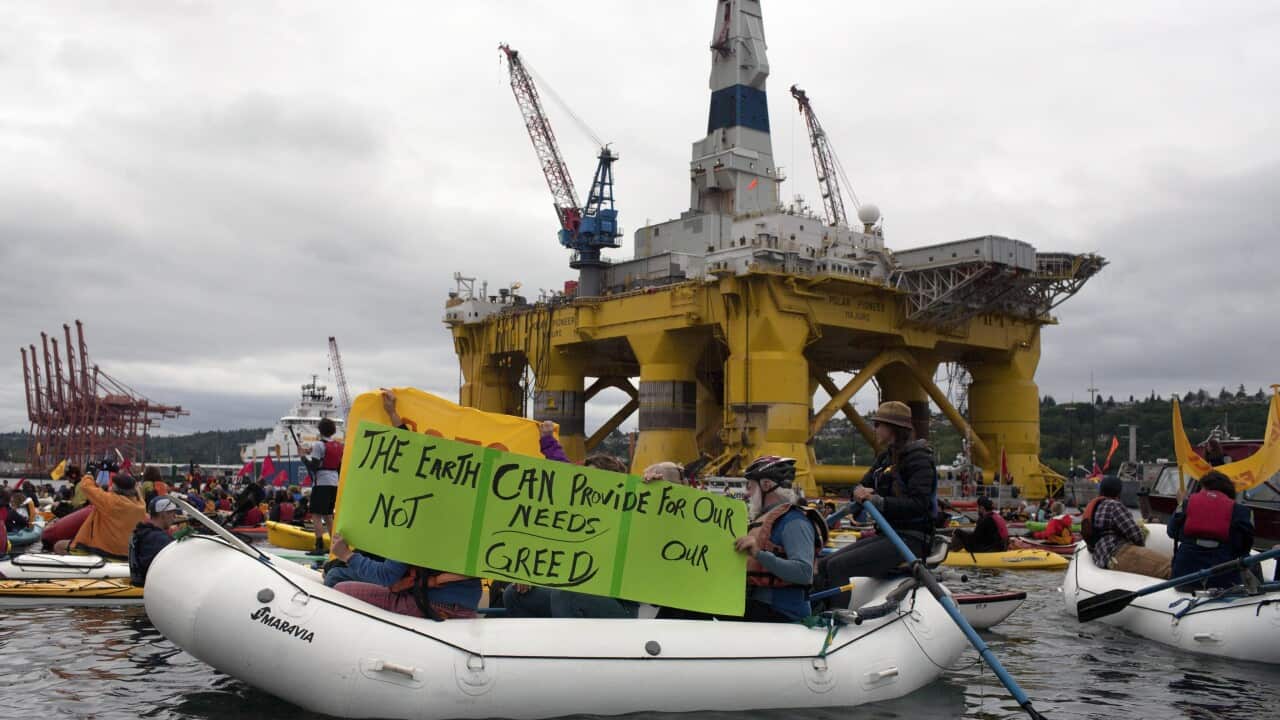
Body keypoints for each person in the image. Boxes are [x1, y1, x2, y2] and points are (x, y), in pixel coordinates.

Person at [816, 402, 937, 606]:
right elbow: (862, 484)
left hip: (911, 539)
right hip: (888, 535)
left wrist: (877, 500)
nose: (875, 429)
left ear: (893, 429)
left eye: (878, 424)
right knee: (825, 563)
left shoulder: (919, 460)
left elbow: (920, 504)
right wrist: (860, 491)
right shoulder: (885, 458)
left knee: (837, 566)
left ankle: (835, 618)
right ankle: (815, 613)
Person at [729, 455, 826, 622]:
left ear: (766, 485)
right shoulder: (765, 518)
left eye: (750, 487)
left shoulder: (794, 521)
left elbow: (803, 573)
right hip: (759, 605)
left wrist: (759, 554)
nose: (747, 493)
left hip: (782, 613)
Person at [328, 533, 480, 620]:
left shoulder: (413, 528)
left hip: (429, 604)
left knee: (339, 587)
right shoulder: (469, 528)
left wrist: (347, 555)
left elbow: (386, 576)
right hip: (467, 607)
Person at [1167, 471, 1255, 590]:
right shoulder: (1241, 512)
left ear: (1204, 488)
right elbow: (1245, 546)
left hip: (1184, 577)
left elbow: (1172, 532)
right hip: (1225, 580)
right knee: (1253, 564)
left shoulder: (1186, 505)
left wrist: (1181, 503)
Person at [1082, 475, 1170, 578]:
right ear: (1118, 492)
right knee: (1168, 566)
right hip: (1117, 552)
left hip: (1101, 556)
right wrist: (1142, 535)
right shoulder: (1114, 505)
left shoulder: (1097, 506)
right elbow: (1136, 535)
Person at [54, 473, 147, 559]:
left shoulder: (111, 501)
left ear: (116, 488)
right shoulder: (141, 505)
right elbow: (137, 490)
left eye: (112, 485)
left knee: (59, 546)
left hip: (104, 550)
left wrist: (89, 474)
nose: (110, 486)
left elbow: (86, 486)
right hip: (128, 552)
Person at [300, 417, 343, 556]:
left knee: (316, 515)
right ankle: (334, 547)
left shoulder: (319, 445)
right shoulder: (338, 445)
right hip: (334, 482)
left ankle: (318, 546)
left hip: (322, 483)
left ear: (319, 430)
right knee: (329, 516)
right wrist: (309, 453)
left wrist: (302, 457)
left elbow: (314, 466)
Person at [129, 496, 182, 587]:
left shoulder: (143, 532)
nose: (175, 516)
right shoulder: (158, 538)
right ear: (163, 514)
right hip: (150, 587)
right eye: (172, 513)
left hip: (141, 581)